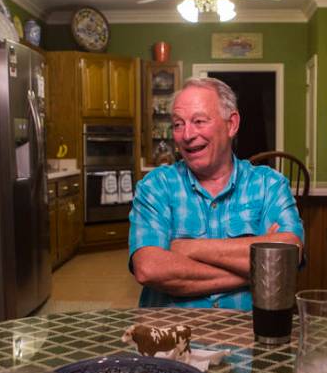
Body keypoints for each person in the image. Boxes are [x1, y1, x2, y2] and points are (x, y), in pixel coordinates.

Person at [129, 77, 304, 309]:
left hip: (248, 335)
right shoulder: (155, 186)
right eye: (178, 124)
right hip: (170, 337)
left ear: (231, 124)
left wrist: (185, 248)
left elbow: (289, 256)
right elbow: (149, 268)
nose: (187, 134)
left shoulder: (269, 185)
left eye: (199, 121)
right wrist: (256, 269)